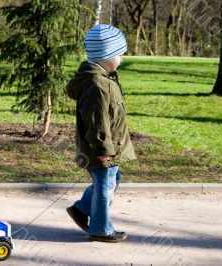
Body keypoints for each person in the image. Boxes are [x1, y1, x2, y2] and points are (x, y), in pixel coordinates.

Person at [66, 24, 136, 243]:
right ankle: (101, 230)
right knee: (105, 187)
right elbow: (96, 122)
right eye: (119, 54)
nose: (122, 59)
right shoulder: (97, 84)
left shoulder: (105, 79)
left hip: (107, 147)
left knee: (111, 180)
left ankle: (81, 209)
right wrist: (102, 150)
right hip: (101, 150)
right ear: (106, 55)